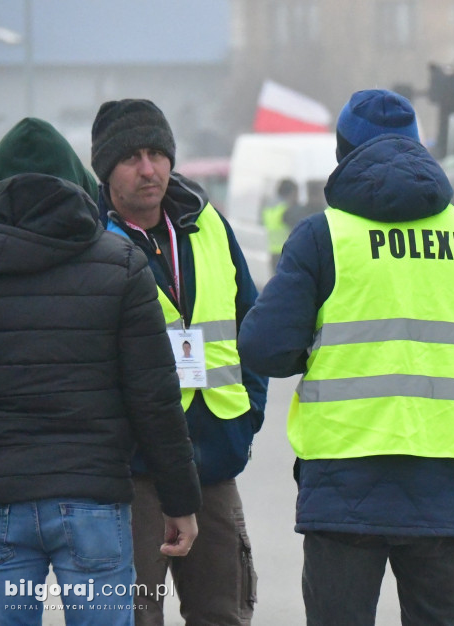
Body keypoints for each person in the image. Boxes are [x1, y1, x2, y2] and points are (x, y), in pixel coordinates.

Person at [238, 88, 454, 626]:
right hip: (448, 485)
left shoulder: (322, 238)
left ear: (344, 152)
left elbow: (264, 348)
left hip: (343, 484)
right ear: (420, 148)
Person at [0, 117, 201, 625]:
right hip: (93, 503)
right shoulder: (122, 266)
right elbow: (153, 395)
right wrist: (180, 501)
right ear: (82, 185)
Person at [90, 99, 268, 626]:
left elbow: (250, 328)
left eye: (157, 154)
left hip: (213, 462)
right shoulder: (91, 241)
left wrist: (245, 418)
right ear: (106, 170)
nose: (149, 170)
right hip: (135, 473)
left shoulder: (210, 225)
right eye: (132, 158)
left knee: (222, 614)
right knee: (135, 616)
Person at [262, 179, 298, 272]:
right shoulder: (286, 210)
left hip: (273, 251)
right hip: (285, 252)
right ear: (292, 193)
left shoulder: (269, 207)